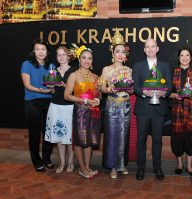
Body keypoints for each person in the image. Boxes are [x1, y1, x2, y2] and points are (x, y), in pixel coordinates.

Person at [133, 38, 173, 181]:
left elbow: (169, 84)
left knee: (157, 140)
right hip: (143, 108)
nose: (150, 49)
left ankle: (157, 167)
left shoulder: (165, 66)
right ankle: (141, 167)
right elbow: (135, 86)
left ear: (157, 49)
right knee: (141, 139)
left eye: (153, 47)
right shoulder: (138, 66)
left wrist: (165, 92)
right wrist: (144, 92)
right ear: (144, 50)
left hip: (159, 108)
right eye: (147, 47)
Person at [64, 45, 102, 179]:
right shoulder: (74, 75)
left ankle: (87, 166)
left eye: (90, 58)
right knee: (80, 141)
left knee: (90, 140)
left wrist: (97, 98)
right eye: (84, 57)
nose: (87, 60)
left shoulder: (96, 77)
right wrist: (84, 101)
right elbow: (67, 95)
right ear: (79, 60)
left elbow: (100, 93)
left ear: (92, 61)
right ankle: (82, 168)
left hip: (93, 112)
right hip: (80, 111)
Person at [101, 30, 133, 179]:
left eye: (123, 52)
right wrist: (110, 89)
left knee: (124, 135)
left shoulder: (128, 70)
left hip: (125, 105)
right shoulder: (106, 69)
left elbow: (131, 90)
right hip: (112, 105)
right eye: (117, 51)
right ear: (112, 53)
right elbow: (102, 88)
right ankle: (113, 166)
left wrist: (130, 89)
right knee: (112, 135)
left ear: (126, 55)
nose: (120, 54)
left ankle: (122, 164)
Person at [169, 46, 192, 177]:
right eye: (182, 55)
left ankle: (189, 166)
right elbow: (167, 92)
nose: (184, 58)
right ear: (178, 57)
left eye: (187, 55)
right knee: (177, 136)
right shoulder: (172, 72)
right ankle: (179, 164)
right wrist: (175, 96)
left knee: (191, 137)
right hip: (177, 110)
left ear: (191, 58)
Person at [21, 38, 55, 172]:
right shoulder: (27, 64)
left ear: (47, 51)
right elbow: (27, 85)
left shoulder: (51, 66)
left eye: (43, 49)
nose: (40, 52)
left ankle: (47, 159)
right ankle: (36, 161)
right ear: (33, 51)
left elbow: (54, 85)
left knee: (48, 132)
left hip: (48, 102)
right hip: (33, 102)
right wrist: (39, 90)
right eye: (37, 49)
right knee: (35, 133)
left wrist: (52, 89)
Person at [45, 46, 77, 173]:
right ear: (57, 57)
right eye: (59, 55)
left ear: (68, 57)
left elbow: (77, 91)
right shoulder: (53, 71)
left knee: (69, 136)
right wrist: (50, 87)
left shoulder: (74, 71)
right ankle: (62, 162)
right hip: (55, 106)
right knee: (58, 136)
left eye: (64, 54)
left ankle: (71, 161)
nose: (61, 57)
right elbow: (52, 91)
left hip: (69, 106)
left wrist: (66, 85)